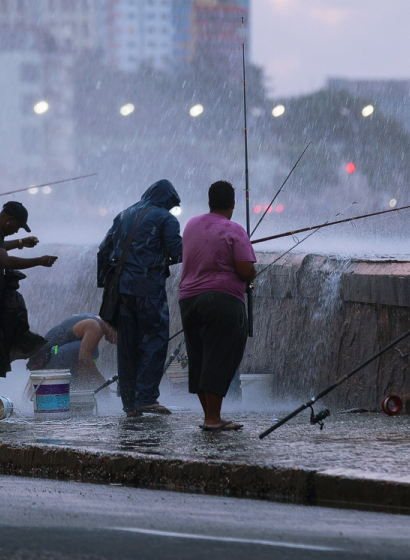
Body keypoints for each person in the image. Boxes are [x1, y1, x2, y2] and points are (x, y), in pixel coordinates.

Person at [97, 179, 182, 417]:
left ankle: (129, 404)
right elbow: (178, 252)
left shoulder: (123, 214)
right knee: (154, 340)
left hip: (122, 291)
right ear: (167, 200)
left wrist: (106, 286)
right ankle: (146, 398)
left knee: (127, 346)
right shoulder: (166, 219)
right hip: (148, 288)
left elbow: (104, 250)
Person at [178, 180, 257, 432]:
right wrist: (253, 273)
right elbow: (245, 270)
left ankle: (210, 416)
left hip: (189, 299)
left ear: (209, 202)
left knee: (200, 357)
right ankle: (213, 419)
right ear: (233, 204)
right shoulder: (235, 230)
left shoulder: (191, 225)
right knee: (220, 356)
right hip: (222, 301)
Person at [0, 201, 56, 417]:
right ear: (9, 219)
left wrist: (21, 242)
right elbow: (5, 261)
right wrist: (39, 261)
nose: (16, 230)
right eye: (17, 226)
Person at [25, 314, 117, 388]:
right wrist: (103, 388)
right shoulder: (95, 327)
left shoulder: (96, 319)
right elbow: (84, 362)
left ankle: (76, 388)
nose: (119, 342)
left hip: (44, 361)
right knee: (88, 353)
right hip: (46, 362)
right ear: (115, 326)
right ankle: (79, 391)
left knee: (88, 350)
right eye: (121, 336)